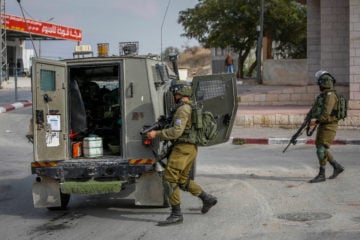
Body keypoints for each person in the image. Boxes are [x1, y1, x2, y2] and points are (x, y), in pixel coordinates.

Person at [146, 81, 217, 226]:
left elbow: (176, 132)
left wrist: (156, 134)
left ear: (180, 93)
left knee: (169, 179)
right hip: (189, 149)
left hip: (183, 149)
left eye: (175, 93)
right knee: (183, 180)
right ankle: (207, 199)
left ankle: (176, 214)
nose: (173, 96)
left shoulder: (183, 109)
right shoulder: (191, 106)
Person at [308, 70, 344, 183]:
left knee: (321, 149)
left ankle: (322, 174)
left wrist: (315, 121)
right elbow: (314, 109)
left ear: (324, 83)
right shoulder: (323, 96)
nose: (319, 85)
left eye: (320, 83)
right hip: (323, 125)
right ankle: (337, 166)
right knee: (320, 147)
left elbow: (325, 114)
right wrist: (308, 119)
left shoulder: (330, 96)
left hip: (329, 126)